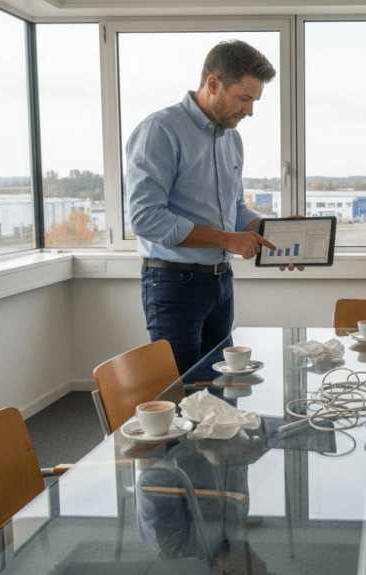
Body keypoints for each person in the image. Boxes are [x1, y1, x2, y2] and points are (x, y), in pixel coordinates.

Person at [127, 40, 286, 374]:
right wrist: (227, 240)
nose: (249, 111)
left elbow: (236, 209)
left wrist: (278, 234)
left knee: (221, 386)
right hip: (173, 284)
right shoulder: (161, 130)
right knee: (183, 391)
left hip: (220, 283)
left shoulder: (231, 138)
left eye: (254, 101)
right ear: (213, 84)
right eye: (244, 98)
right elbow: (145, 217)